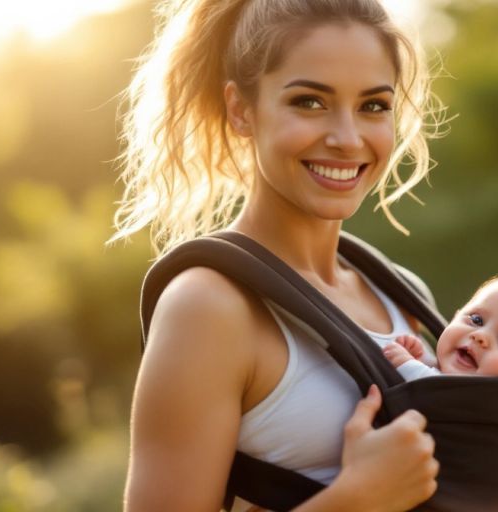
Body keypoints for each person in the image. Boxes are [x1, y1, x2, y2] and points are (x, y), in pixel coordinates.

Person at [113, 1, 446, 510]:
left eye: (373, 106)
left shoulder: (402, 294)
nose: (347, 138)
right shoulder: (209, 307)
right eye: (310, 102)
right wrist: (358, 500)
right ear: (241, 110)